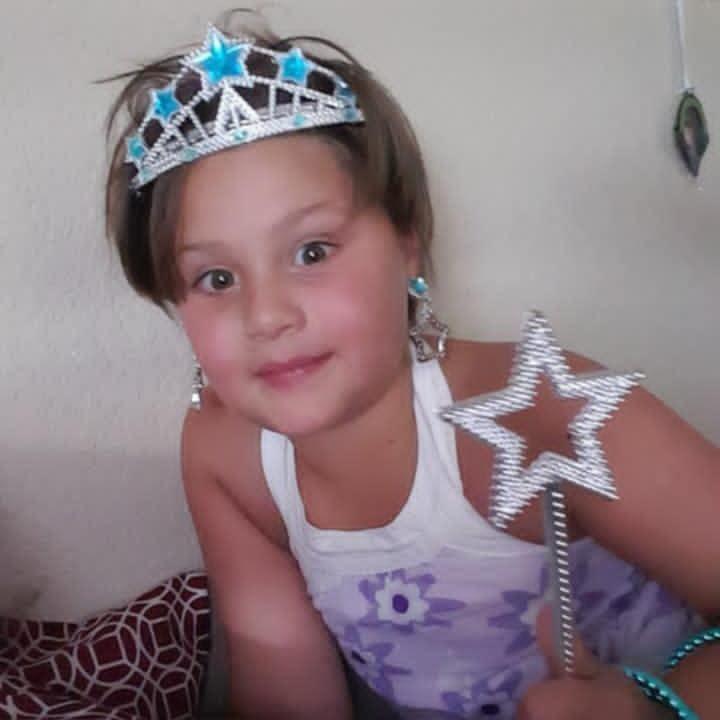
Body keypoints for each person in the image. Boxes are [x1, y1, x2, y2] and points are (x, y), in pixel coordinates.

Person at [104, 13, 720, 720]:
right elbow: (284, 689)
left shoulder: (548, 412)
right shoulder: (225, 457)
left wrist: (653, 708)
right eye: (216, 278)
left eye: (311, 252)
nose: (266, 315)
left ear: (407, 245)